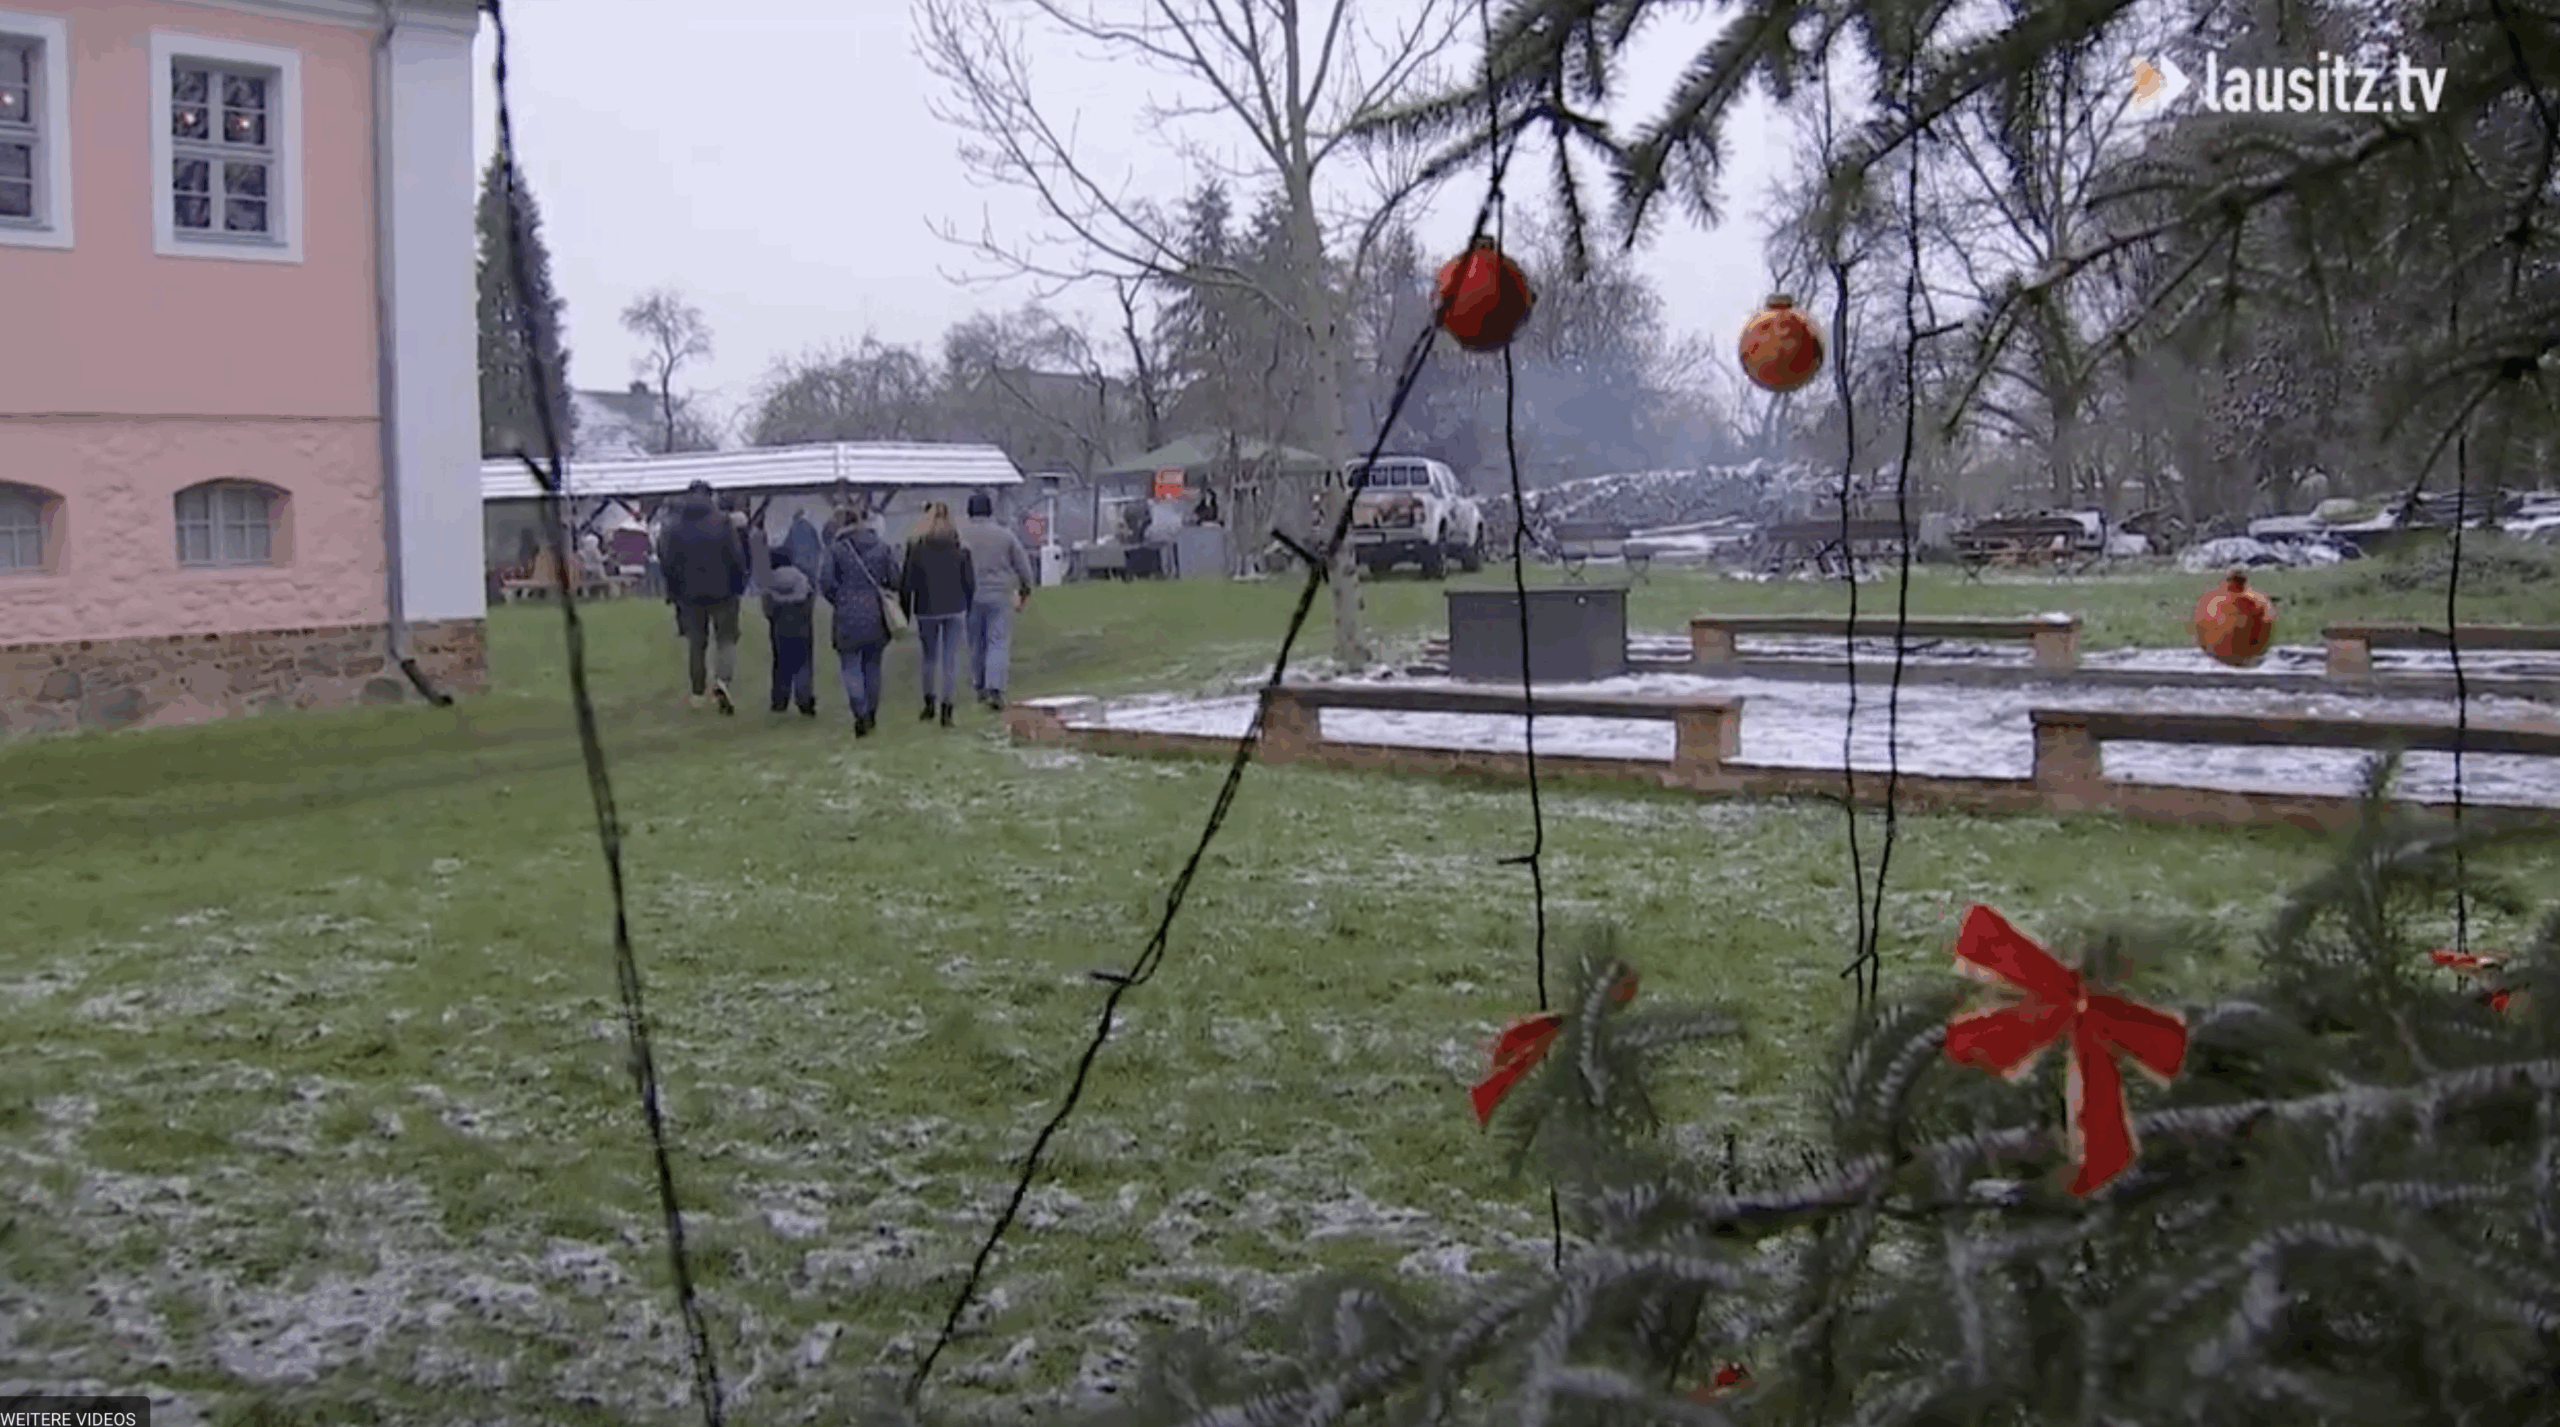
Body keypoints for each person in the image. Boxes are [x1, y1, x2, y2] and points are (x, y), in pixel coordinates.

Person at [656, 479, 748, 714]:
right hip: (724, 591)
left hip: (688, 594)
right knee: (726, 639)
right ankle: (722, 681)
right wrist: (739, 585)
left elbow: (667, 561)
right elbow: (735, 556)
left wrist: (673, 590)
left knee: (696, 644)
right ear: (711, 496)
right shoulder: (723, 522)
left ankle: (697, 693)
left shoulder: (673, 526)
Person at [816, 501, 903, 737]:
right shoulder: (881, 546)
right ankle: (872, 712)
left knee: (850, 666)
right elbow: (894, 578)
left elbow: (825, 582)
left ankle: (860, 711)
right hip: (875, 613)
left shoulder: (835, 550)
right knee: (873, 666)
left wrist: (840, 599)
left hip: (846, 614)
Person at [958, 491, 1037, 711]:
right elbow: (1022, 565)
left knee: (975, 644)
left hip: (969, 595)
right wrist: (1025, 588)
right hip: (999, 594)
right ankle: (995, 687)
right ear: (990, 510)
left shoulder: (961, 537)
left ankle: (980, 686)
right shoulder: (1005, 535)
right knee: (997, 641)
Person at [900, 501, 976, 727]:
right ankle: (947, 708)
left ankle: (929, 702)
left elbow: (907, 583)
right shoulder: (960, 547)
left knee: (929, 658)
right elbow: (969, 582)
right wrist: (968, 606)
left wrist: (905, 613)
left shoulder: (917, 548)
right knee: (950, 659)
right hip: (955, 607)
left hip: (927, 608)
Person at [761, 544, 818, 717]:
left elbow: (767, 609)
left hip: (780, 626)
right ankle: (804, 699)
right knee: (803, 664)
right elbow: (810, 602)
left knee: (780, 664)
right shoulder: (802, 579)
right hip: (802, 625)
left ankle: (780, 700)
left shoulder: (769, 582)